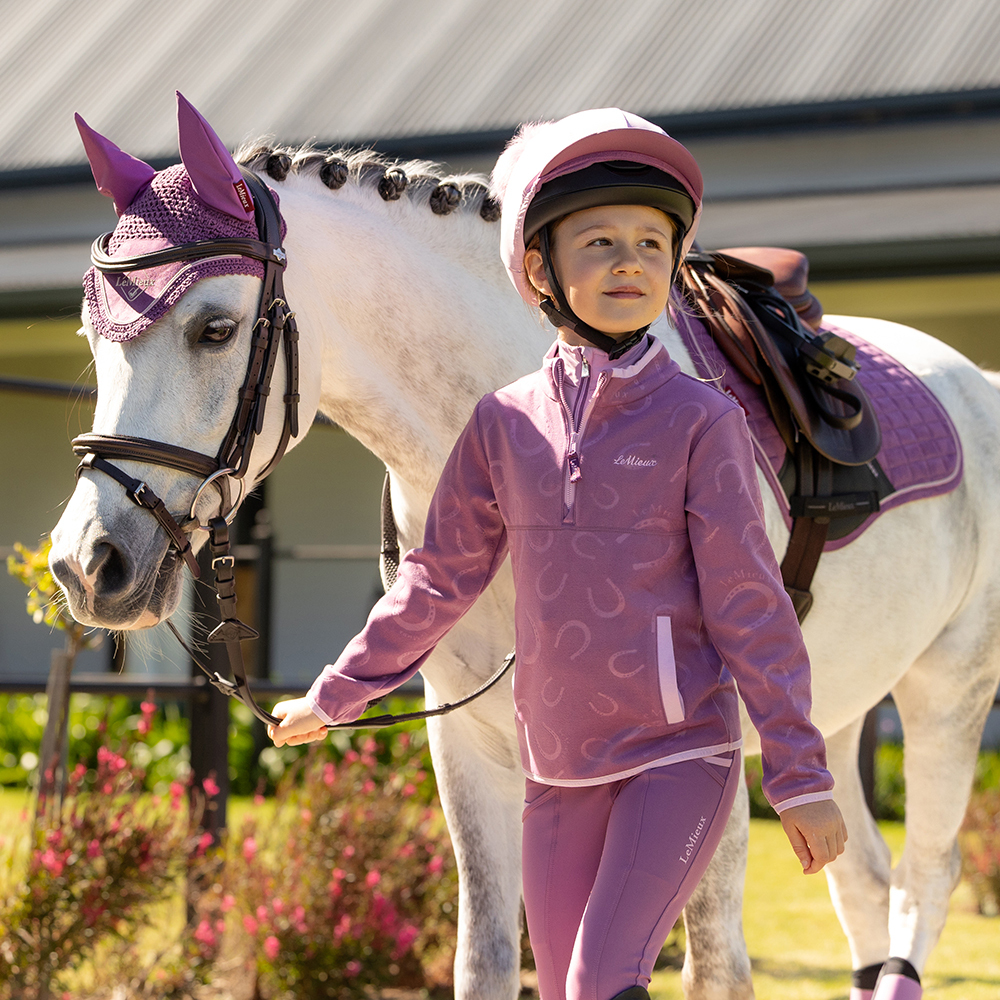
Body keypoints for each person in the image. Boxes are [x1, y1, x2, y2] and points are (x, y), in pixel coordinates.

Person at [268, 108, 847, 1000]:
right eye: (600, 242)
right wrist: (338, 692)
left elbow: (751, 605)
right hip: (556, 769)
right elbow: (437, 578)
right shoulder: (503, 425)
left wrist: (800, 778)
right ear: (539, 269)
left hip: (677, 758)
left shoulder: (703, 422)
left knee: (600, 981)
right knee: (563, 988)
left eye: (652, 245)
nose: (630, 263)